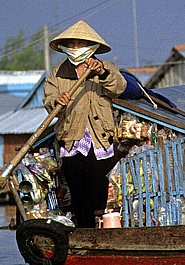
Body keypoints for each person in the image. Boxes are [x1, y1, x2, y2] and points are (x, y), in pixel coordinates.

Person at [42, 20, 127, 228]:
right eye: (71, 44)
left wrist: (102, 73)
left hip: (100, 139)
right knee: (77, 191)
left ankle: (98, 232)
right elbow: (49, 101)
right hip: (72, 140)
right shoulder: (58, 74)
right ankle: (82, 231)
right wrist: (57, 101)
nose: (74, 48)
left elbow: (119, 87)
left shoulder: (105, 68)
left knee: (97, 190)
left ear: (91, 47)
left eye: (80, 44)